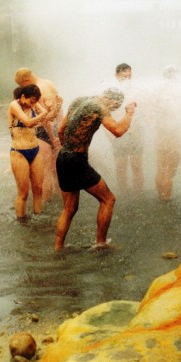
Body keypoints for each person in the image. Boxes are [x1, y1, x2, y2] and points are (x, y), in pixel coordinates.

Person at [55, 88, 137, 251]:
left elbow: (60, 129)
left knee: (69, 208)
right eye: (114, 108)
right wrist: (129, 112)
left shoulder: (78, 100)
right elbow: (118, 130)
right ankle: (101, 243)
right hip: (76, 161)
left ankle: (58, 247)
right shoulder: (100, 107)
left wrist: (70, 151)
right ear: (112, 101)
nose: (112, 111)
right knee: (108, 199)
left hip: (63, 157)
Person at [14, 68, 63, 202]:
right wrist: (60, 131)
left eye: (21, 86)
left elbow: (43, 118)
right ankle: (61, 202)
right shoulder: (49, 83)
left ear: (26, 80)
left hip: (42, 131)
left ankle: (42, 209)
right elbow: (58, 107)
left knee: (44, 172)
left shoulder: (35, 90)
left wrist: (52, 139)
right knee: (57, 170)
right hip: (56, 128)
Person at [8, 84, 48, 218]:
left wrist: (52, 109)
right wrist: (43, 114)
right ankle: (22, 222)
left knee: (38, 189)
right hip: (19, 152)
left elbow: (45, 116)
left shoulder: (33, 103)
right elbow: (28, 122)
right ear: (23, 97)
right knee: (23, 193)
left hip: (35, 150)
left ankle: (38, 216)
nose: (33, 104)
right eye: (31, 101)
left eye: (35, 101)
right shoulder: (14, 105)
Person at [106, 63, 144, 193]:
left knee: (137, 166)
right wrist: (109, 135)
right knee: (120, 166)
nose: (128, 78)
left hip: (136, 133)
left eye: (130, 75)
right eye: (124, 75)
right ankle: (124, 195)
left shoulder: (137, 90)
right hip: (119, 133)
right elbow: (105, 115)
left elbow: (144, 112)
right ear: (116, 76)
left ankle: (138, 195)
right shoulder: (111, 92)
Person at [154, 65, 181, 202]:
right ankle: (166, 198)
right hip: (172, 135)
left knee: (161, 167)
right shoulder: (177, 93)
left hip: (160, 134)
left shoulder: (159, 91)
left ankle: (161, 196)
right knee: (170, 171)